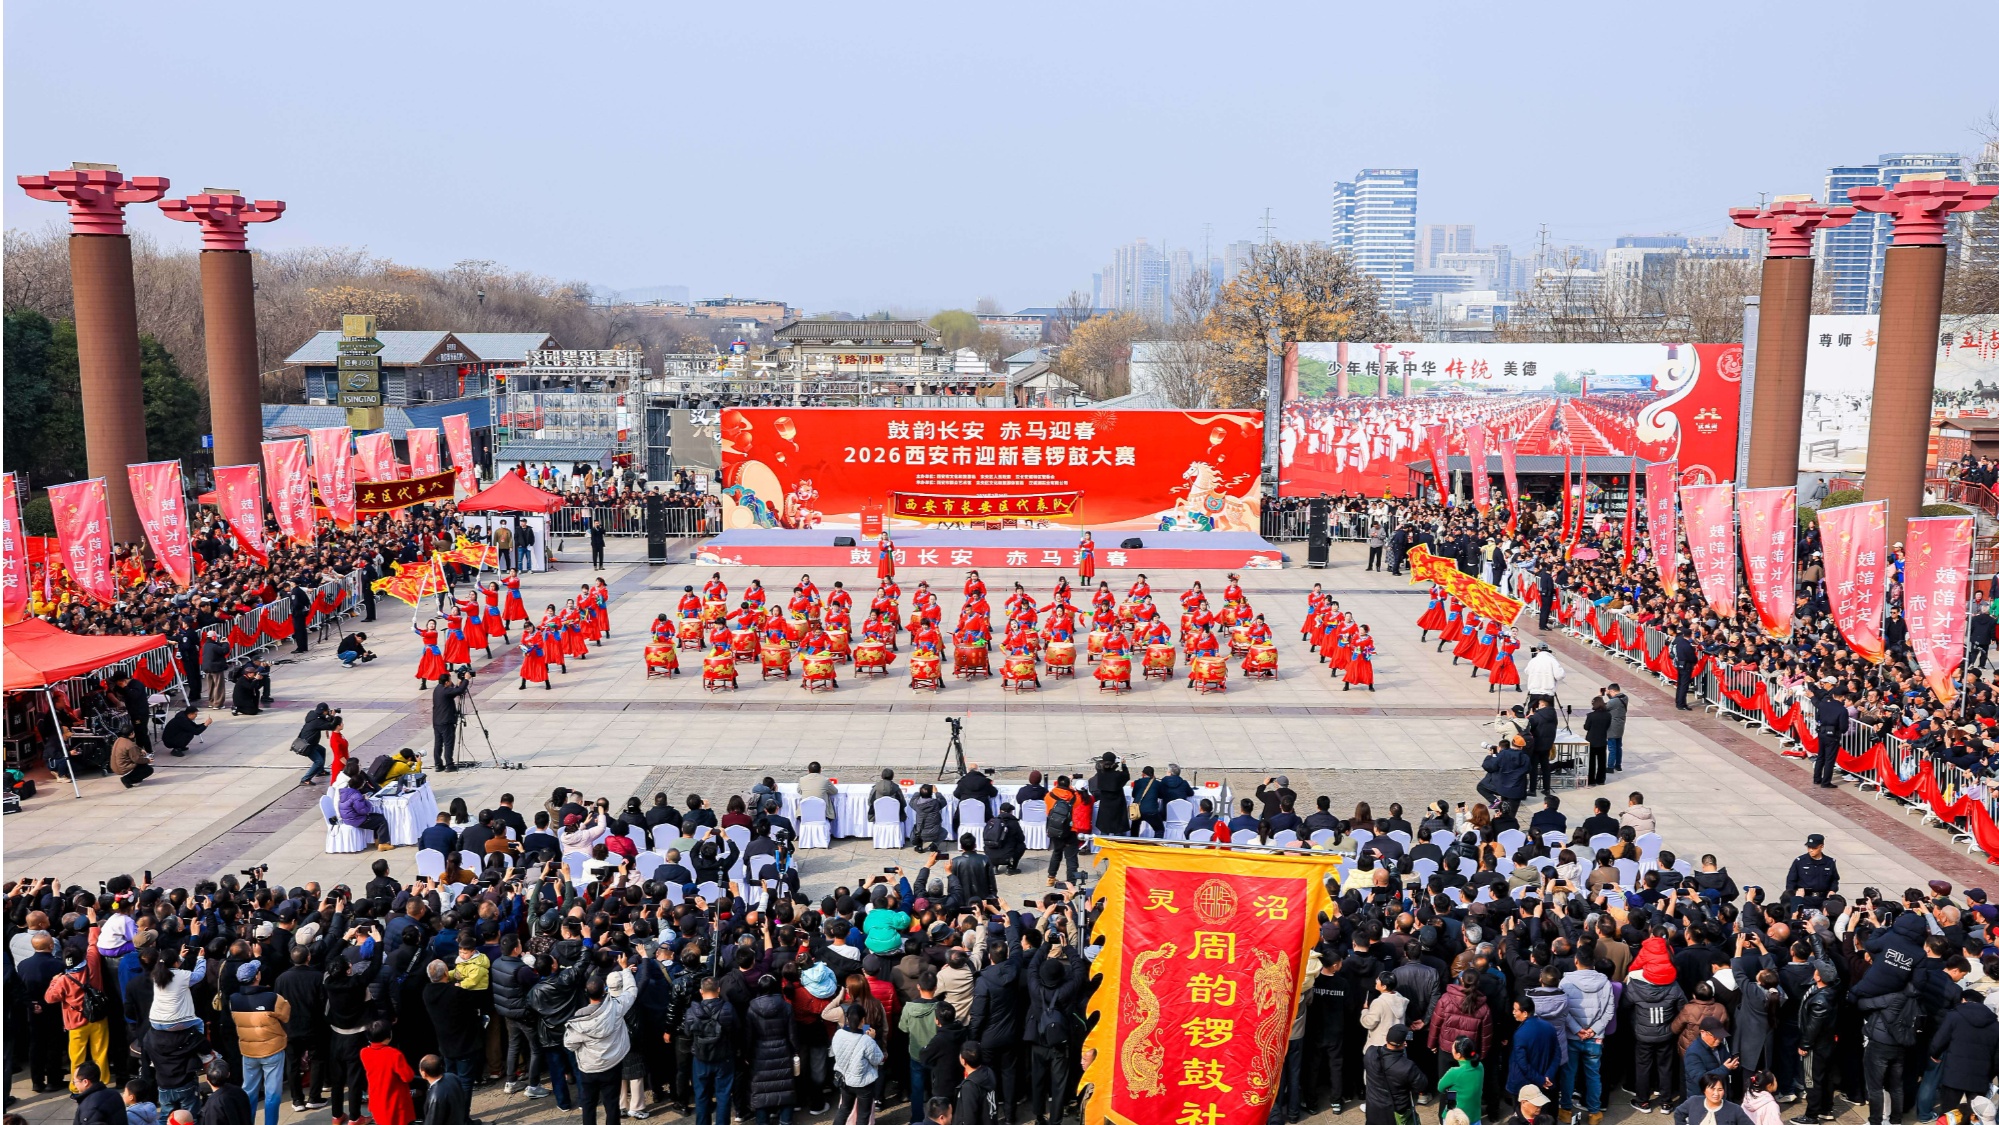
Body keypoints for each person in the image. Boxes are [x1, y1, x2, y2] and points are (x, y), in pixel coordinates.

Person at [1364, 1024, 1429, 1125]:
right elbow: (1422, 1085)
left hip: (1373, 1110)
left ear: (1386, 1038)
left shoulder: (1370, 1053)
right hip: (1396, 1113)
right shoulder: (1407, 1066)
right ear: (1404, 1043)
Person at [1670, 1073, 1755, 1125]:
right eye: (1712, 1089)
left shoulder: (1735, 1109)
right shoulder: (1693, 1101)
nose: (1716, 1093)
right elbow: (1678, 1113)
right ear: (1704, 1090)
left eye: (1720, 1090)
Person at [1782, 834, 1838, 911]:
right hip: (1805, 900)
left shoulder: (1829, 862)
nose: (1810, 850)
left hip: (1823, 900)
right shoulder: (1800, 862)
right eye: (1809, 847)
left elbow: (1834, 879)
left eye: (1814, 848)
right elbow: (1791, 881)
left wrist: (1832, 891)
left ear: (1821, 846)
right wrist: (1793, 898)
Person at [1811, 685, 1847, 788]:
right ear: (1843, 697)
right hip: (1833, 735)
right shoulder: (1842, 710)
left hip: (1822, 732)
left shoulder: (1823, 705)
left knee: (1820, 756)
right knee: (1829, 759)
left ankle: (1817, 778)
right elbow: (1843, 727)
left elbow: (1818, 717)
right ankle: (1826, 782)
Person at [432, 672, 469, 772]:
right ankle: (449, 765)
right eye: (450, 680)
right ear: (446, 682)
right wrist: (466, 679)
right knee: (448, 743)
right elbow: (460, 691)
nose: (451, 682)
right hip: (446, 722)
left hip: (437, 721)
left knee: (438, 743)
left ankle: (438, 765)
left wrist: (458, 685)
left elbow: (452, 693)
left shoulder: (437, 689)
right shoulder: (445, 691)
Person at [112, 721, 154, 789]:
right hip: (124, 768)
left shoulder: (119, 739)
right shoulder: (130, 745)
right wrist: (148, 760)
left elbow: (131, 748)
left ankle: (135, 777)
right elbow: (137, 759)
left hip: (116, 767)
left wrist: (140, 750)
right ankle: (128, 779)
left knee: (142, 764)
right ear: (131, 734)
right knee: (148, 769)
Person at [1582, 695, 1611, 787]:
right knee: (1602, 761)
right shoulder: (1608, 715)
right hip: (1602, 740)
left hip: (1592, 740)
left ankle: (1591, 780)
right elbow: (1608, 726)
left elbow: (1586, 727)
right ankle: (1601, 779)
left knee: (1591, 762)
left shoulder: (1591, 715)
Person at [1602, 683, 1628, 773]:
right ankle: (1618, 765)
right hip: (1620, 726)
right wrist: (1609, 694)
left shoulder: (1614, 702)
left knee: (1612, 748)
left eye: (1609, 692)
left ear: (1612, 691)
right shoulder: (1625, 697)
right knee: (1618, 747)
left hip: (1612, 727)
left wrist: (1600, 696)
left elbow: (1602, 707)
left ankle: (1610, 767)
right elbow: (1614, 700)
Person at [1672, 630, 1698, 711]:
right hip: (1686, 666)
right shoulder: (1687, 645)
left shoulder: (1680, 643)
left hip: (1680, 665)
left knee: (1680, 684)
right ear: (1690, 635)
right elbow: (1692, 657)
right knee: (1684, 685)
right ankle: (1681, 704)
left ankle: (1678, 701)